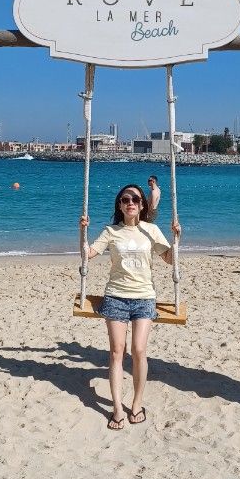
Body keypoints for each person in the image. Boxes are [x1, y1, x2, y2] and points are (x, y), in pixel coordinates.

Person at [80, 184, 181, 430]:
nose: (131, 203)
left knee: (138, 350)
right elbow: (88, 254)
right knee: (117, 352)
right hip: (116, 297)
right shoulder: (111, 231)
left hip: (144, 297)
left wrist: (177, 238)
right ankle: (117, 408)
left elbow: (170, 259)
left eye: (135, 199)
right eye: (125, 199)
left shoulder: (151, 230)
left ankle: (136, 404)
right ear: (120, 205)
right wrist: (82, 232)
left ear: (142, 204)